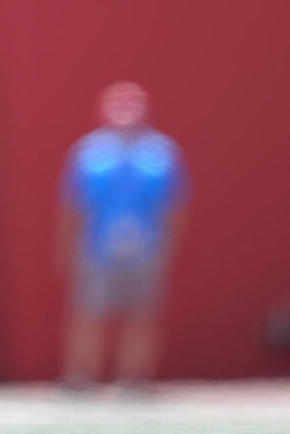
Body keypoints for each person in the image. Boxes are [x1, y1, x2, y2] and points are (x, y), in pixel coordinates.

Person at [56, 81, 188, 390]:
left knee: (142, 314)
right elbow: (72, 204)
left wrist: (169, 244)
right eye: (118, 103)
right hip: (97, 246)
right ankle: (81, 376)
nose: (126, 111)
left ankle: (134, 377)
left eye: (134, 103)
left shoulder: (162, 152)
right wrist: (65, 246)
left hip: (146, 245)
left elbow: (176, 204)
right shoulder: (88, 152)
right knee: (88, 312)